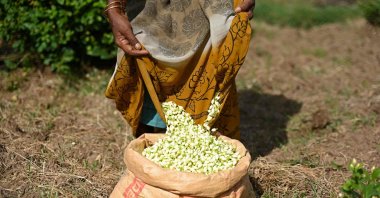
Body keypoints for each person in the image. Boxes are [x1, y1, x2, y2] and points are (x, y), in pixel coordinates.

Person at [105, 0, 255, 139]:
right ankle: (154, 139)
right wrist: (114, 7)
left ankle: (200, 136)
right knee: (148, 54)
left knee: (211, 54)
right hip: (151, 9)